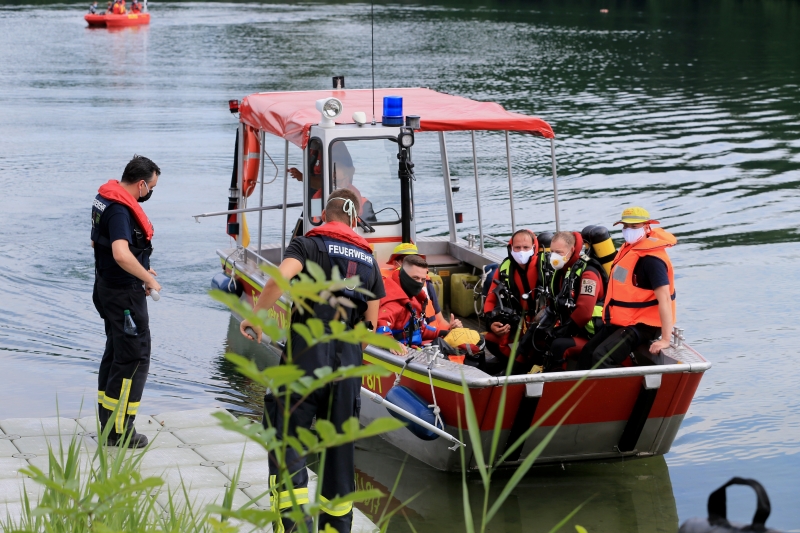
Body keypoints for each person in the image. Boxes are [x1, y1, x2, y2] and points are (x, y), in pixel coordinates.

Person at [239, 189, 385, 533]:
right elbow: (372, 323)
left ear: (323, 214)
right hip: (347, 365)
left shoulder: (308, 244)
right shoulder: (369, 259)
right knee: (339, 453)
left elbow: (280, 278)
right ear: (354, 219)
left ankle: (291, 525)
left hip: (306, 358)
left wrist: (256, 317)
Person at [91, 155, 161, 448]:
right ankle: (120, 433)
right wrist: (148, 279)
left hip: (106, 288)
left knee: (116, 353)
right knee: (133, 358)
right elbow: (120, 253)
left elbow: (97, 242)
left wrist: (142, 268)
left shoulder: (103, 199)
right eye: (152, 186)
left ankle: (108, 424)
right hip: (124, 296)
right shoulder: (120, 210)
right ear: (141, 184)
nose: (152, 192)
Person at [578, 207, 676, 369]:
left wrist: (665, 339)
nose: (628, 230)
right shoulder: (629, 250)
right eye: (625, 226)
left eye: (634, 227)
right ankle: (581, 391)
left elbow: (664, 299)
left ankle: (626, 391)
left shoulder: (652, 260)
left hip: (644, 325)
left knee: (601, 356)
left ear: (646, 227)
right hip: (625, 319)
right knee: (588, 351)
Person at [544, 231, 606, 369]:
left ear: (571, 250)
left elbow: (584, 312)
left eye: (559, 252)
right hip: (575, 330)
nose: (554, 256)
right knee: (538, 334)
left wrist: (562, 331)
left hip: (593, 335)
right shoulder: (562, 271)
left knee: (559, 345)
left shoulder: (589, 273)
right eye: (552, 251)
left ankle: (557, 385)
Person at [377, 255, 461, 350]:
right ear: (403, 275)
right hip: (404, 355)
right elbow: (380, 325)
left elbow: (419, 329)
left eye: (423, 279)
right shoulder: (391, 302)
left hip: (418, 348)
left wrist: (445, 332)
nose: (419, 283)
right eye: (415, 278)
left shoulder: (414, 297)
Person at [482, 229, 539, 370]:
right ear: (511, 248)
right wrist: (491, 323)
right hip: (518, 321)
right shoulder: (504, 269)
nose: (521, 251)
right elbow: (490, 300)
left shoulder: (545, 268)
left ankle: (520, 368)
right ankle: (512, 366)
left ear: (534, 247)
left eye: (526, 247)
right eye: (517, 247)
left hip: (541, 323)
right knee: (490, 339)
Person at [292, 142, 377, 223]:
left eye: (336, 166)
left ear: (348, 175)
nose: (332, 170)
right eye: (330, 165)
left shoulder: (364, 204)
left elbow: (371, 232)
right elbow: (312, 224)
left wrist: (302, 177)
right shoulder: (316, 201)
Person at [386, 242, 449, 329]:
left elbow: (441, 321)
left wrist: (451, 328)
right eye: (405, 260)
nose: (412, 264)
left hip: (431, 334)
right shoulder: (386, 286)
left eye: (414, 259)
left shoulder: (427, 284)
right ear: (395, 263)